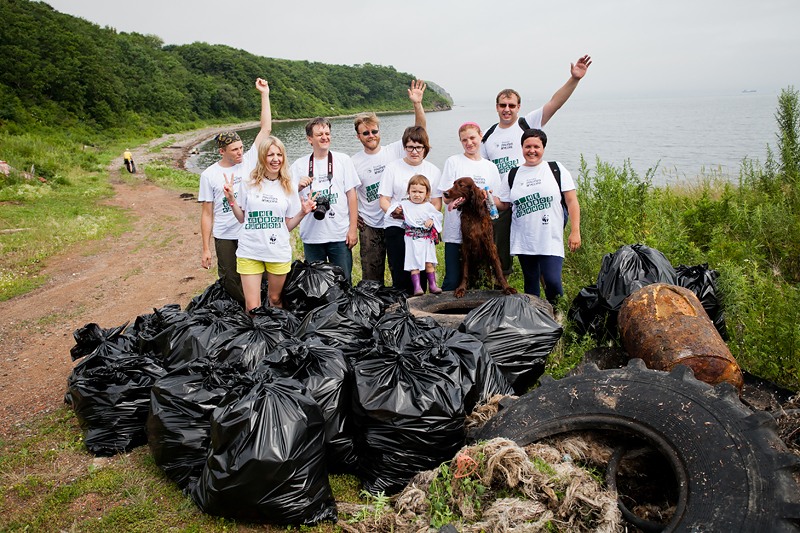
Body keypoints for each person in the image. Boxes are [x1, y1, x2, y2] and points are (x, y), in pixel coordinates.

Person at [481, 55, 591, 275]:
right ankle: (502, 291)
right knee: (500, 255)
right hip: (504, 201)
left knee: (541, 256)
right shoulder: (488, 136)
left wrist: (574, 79)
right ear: (496, 107)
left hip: (533, 198)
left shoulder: (527, 123)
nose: (507, 109)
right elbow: (482, 169)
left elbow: (554, 103)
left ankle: (548, 298)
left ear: (519, 107)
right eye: (503, 105)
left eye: (512, 105)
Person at [198, 77, 273, 305]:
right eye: (234, 150)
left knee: (260, 275)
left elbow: (266, 128)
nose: (240, 152)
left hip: (251, 230)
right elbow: (207, 214)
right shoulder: (209, 175)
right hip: (226, 236)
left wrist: (264, 94)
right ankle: (246, 313)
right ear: (222, 151)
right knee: (230, 279)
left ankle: (261, 310)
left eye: (241, 147)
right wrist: (205, 248)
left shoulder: (249, 160)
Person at [222, 136, 315, 312]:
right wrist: (231, 199)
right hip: (250, 249)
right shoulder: (248, 183)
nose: (275, 159)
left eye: (279, 154)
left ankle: (276, 336)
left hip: (277, 250)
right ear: (262, 157)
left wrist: (303, 212)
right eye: (270, 154)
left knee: (275, 298)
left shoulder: (289, 187)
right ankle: (257, 338)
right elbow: (242, 218)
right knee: (252, 306)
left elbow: (286, 226)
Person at [351, 80, 427, 283]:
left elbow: (419, 130)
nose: (371, 135)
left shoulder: (394, 150)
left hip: (397, 222)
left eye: (374, 131)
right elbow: (348, 193)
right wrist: (354, 216)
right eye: (365, 133)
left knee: (400, 271)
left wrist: (417, 104)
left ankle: (398, 310)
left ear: (379, 132)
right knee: (371, 275)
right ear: (358, 136)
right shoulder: (354, 162)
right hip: (370, 224)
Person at [495, 129, 581, 304]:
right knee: (531, 283)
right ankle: (535, 319)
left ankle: (559, 314)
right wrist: (486, 197)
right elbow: (504, 203)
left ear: (543, 148)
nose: (532, 150)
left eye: (536, 146)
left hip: (550, 237)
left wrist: (575, 231)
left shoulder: (556, 169)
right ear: (522, 147)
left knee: (552, 280)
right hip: (524, 238)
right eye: (528, 146)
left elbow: (571, 201)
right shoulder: (513, 174)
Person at [289, 117, 360, 283]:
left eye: (327, 133)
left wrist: (353, 228)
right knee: (315, 284)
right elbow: (288, 199)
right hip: (312, 236)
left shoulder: (343, 160)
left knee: (343, 281)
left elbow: (352, 196)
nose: (324, 137)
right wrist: (297, 187)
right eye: (319, 134)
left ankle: (344, 309)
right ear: (309, 139)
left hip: (339, 234)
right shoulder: (299, 165)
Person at [438, 122, 503, 291]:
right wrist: (459, 199)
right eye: (464, 140)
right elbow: (446, 198)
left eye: (472, 138)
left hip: (481, 232)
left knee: (482, 281)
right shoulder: (453, 162)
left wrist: (484, 196)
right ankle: (445, 316)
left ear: (480, 136)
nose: (469, 143)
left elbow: (496, 201)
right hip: (455, 232)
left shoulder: (490, 167)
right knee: (453, 280)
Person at [378, 126, 442, 294]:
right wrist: (394, 211)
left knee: (422, 269)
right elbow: (383, 199)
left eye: (419, 147)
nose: (414, 151)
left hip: (422, 230)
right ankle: (401, 308)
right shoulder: (392, 168)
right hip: (397, 226)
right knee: (400, 269)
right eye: (410, 147)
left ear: (425, 148)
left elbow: (436, 202)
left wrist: (429, 220)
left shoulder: (433, 171)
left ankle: (420, 310)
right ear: (404, 147)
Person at [388, 174, 443, 295]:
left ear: (427, 193)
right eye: (413, 191)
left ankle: (433, 285)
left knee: (429, 262)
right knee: (414, 264)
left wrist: (432, 220)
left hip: (426, 239)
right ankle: (417, 287)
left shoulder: (429, 206)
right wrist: (397, 211)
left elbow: (438, 216)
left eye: (420, 192)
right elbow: (391, 210)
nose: (417, 194)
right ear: (408, 191)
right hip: (411, 239)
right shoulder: (405, 205)